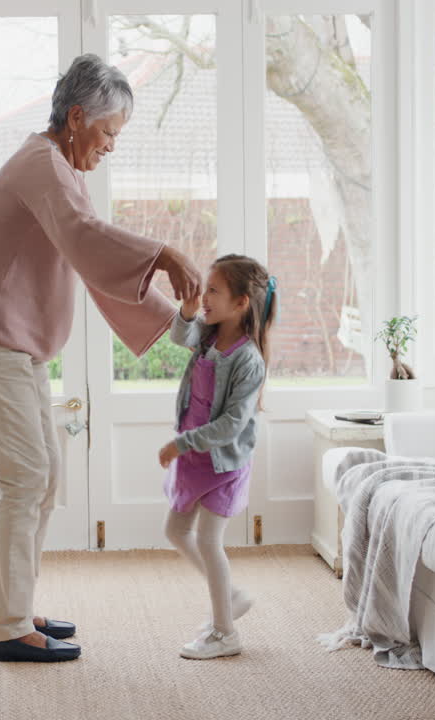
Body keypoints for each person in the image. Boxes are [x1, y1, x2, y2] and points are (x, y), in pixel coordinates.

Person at [0, 54, 202, 663]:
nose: (111, 146)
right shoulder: (44, 166)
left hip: (10, 341)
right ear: (77, 117)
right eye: (109, 132)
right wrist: (165, 254)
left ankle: (19, 610)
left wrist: (169, 320)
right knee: (26, 476)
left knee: (45, 475)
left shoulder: (58, 169)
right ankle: (9, 630)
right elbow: (88, 240)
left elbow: (91, 261)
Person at [158, 254, 278, 660]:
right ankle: (231, 595)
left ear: (241, 303)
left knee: (209, 541)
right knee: (176, 531)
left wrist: (182, 442)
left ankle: (225, 633)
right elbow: (181, 337)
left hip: (222, 463)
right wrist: (187, 312)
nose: (204, 296)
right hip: (194, 456)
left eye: (213, 290)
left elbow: (230, 425)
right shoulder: (207, 335)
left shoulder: (248, 359)